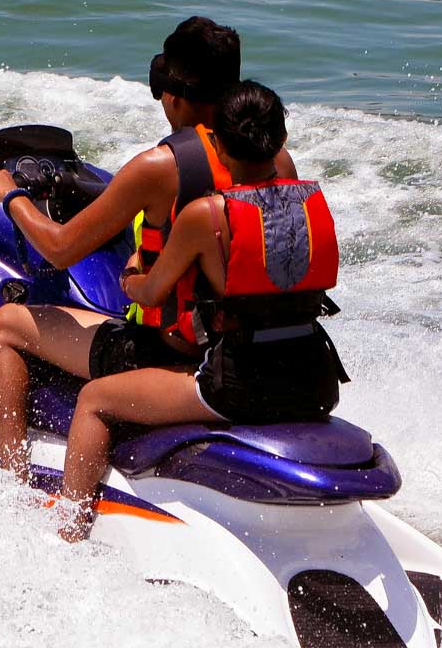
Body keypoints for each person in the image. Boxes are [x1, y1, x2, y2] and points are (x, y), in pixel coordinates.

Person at [0, 16, 299, 481]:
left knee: (5, 325)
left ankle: (13, 484)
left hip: (171, 352)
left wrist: (11, 196)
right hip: (254, 352)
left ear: (173, 95)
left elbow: (60, 249)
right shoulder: (275, 159)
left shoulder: (160, 166)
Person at [55, 80, 349, 541]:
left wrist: (130, 275)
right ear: (282, 141)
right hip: (317, 380)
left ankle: (67, 534)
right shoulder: (312, 201)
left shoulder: (207, 216)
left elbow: (151, 293)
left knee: (94, 401)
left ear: (220, 149)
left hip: (240, 385)